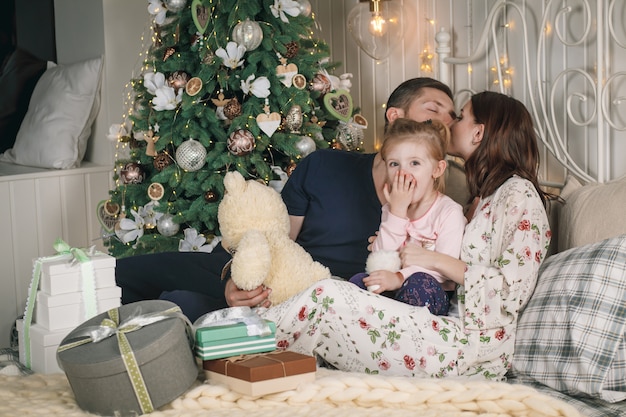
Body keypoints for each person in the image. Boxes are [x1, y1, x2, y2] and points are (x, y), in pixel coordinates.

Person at [258, 91, 552, 379]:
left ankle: (242, 341)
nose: (451, 123)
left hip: (471, 342)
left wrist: (430, 259)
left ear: (478, 133)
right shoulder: (480, 197)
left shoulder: (518, 193)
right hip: (436, 324)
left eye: (460, 116)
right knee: (337, 290)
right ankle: (249, 351)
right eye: (395, 163)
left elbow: (511, 289)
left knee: (329, 296)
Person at [114, 77, 457, 320]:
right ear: (395, 116)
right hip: (264, 272)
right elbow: (275, 238)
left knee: (179, 306)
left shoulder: (433, 212)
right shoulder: (324, 165)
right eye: (434, 110)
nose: (445, 121)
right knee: (124, 273)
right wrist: (235, 283)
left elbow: (433, 274)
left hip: (312, 303)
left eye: (452, 117)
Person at [348, 118, 466, 315]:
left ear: (437, 169)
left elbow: (444, 270)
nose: (403, 173)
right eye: (394, 164)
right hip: (392, 290)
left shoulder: (448, 212)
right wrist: (397, 213)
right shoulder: (392, 208)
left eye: (415, 163)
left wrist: (399, 278)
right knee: (360, 281)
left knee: (419, 283)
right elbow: (380, 259)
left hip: (428, 293)